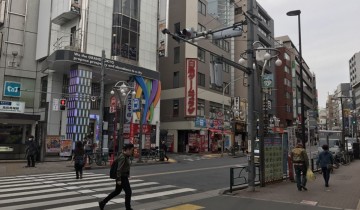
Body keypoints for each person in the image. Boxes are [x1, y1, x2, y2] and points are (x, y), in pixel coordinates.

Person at [99, 144, 134, 210]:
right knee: (128, 192)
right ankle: (128, 208)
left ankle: (103, 202)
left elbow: (125, 167)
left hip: (123, 176)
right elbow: (119, 169)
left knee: (117, 191)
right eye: (131, 150)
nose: (132, 152)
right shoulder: (123, 157)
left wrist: (128, 174)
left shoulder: (125, 156)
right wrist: (118, 179)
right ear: (127, 150)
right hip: (122, 177)